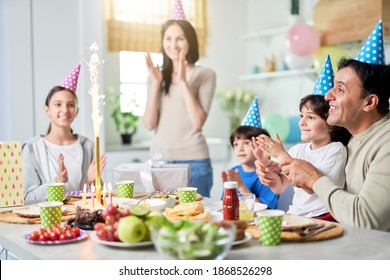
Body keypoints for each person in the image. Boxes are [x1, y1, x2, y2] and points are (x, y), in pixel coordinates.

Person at [257, 21, 390, 231]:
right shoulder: (350, 136)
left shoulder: (386, 144)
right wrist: (279, 175)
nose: (328, 96)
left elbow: (367, 220)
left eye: (340, 89)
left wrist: (313, 177)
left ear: (369, 102)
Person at [143, 3, 216, 197]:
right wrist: (157, 83)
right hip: (160, 161)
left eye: (180, 39)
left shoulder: (205, 74)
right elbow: (149, 124)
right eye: (168, 39)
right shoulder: (155, 76)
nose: (173, 45)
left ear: (190, 41)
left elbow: (197, 122)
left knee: (197, 219)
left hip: (195, 163)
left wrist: (183, 81)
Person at [253, 92, 351, 221]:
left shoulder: (336, 150)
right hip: (296, 213)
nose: (302, 122)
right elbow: (279, 187)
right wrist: (263, 160)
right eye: (301, 116)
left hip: (323, 215)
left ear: (331, 123)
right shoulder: (297, 150)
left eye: (311, 117)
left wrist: (280, 154)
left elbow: (311, 187)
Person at [23, 65, 107, 200]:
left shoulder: (88, 146)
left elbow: (98, 197)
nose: (65, 110)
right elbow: (26, 197)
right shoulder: (31, 148)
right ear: (47, 110)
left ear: (77, 111)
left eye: (71, 105)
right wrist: (57, 181)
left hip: (79, 220)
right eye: (58, 104)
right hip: (48, 219)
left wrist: (92, 181)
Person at [221, 125, 279, 209]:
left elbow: (264, 210)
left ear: (262, 147)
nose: (240, 149)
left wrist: (240, 186)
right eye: (236, 144)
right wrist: (228, 190)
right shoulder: (233, 172)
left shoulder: (269, 175)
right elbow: (225, 205)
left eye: (246, 143)